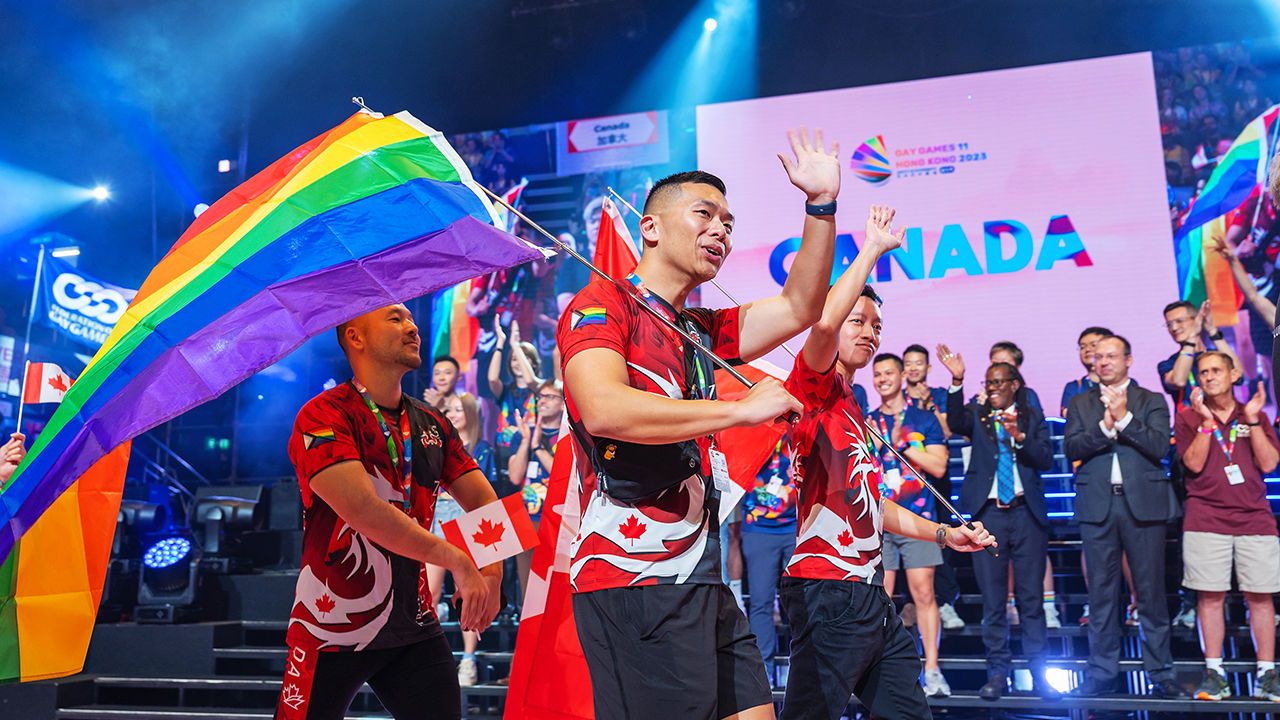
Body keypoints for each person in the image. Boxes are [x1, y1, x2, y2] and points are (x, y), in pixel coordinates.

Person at [559, 128, 842, 720]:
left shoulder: (700, 330)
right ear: (651, 227)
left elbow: (798, 308)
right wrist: (740, 409)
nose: (721, 231)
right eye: (704, 214)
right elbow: (606, 410)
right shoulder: (600, 306)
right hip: (634, 573)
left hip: (700, 570)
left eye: (730, 223)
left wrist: (820, 208)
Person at [779, 205, 994, 720]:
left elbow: (873, 506)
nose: (871, 332)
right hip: (827, 590)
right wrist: (871, 249)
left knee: (908, 712)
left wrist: (944, 535)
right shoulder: (813, 387)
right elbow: (824, 319)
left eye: (878, 325)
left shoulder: (855, 409)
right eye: (861, 320)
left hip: (870, 594)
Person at [277, 304, 502, 720]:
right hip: (330, 626)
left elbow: (487, 502)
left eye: (411, 319)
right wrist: (457, 558)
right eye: (395, 319)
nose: (412, 327)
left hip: (413, 624)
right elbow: (365, 510)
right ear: (355, 337)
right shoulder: (323, 415)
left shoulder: (433, 422)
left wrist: (492, 572)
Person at [1064, 335, 1185, 699]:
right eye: (1098, 357)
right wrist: (1103, 428)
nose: (1103, 362)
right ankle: (1101, 672)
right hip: (1098, 505)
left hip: (1144, 505)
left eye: (1111, 356)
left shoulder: (1150, 400)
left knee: (1150, 594)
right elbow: (1071, 446)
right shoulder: (1080, 401)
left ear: (1129, 360)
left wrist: (1124, 418)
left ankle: (1161, 673)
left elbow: (1160, 446)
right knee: (1101, 595)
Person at [935, 349, 1059, 701]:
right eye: (988, 383)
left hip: (1026, 515)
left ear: (1014, 385)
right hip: (988, 515)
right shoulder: (978, 414)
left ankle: (1039, 674)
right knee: (993, 602)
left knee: (1031, 600)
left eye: (998, 383)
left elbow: (1045, 459)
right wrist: (957, 381)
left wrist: (1020, 436)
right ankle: (998, 673)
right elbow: (956, 421)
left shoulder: (1032, 416)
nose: (992, 389)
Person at [1175, 354, 1280, 702]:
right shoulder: (1189, 417)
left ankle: (1267, 673)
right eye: (1203, 373)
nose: (1209, 377)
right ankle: (1214, 672)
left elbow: (1268, 463)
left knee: (1261, 596)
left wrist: (1252, 420)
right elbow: (1192, 463)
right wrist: (1206, 424)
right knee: (1210, 595)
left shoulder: (1253, 414)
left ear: (1234, 374)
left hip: (1254, 517)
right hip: (1206, 517)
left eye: (1216, 370)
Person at [868, 353, 953, 698]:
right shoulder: (867, 420)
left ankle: (932, 668)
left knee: (924, 594)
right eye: (877, 374)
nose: (882, 379)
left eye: (888, 372)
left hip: (918, 518)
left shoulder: (923, 418)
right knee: (880, 597)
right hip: (878, 520)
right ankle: (883, 668)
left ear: (903, 376)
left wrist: (903, 442)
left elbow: (939, 467)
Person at [426, 392, 496, 687]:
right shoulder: (437, 446)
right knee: (428, 591)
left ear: (470, 413)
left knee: (470, 593)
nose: (453, 414)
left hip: (469, 519)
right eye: (449, 409)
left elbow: (486, 496)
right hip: (437, 515)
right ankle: (430, 660)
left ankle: (468, 661)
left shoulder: (481, 448)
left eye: (458, 409)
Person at [902, 344, 963, 629]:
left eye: (919, 364)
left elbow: (949, 431)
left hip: (936, 480)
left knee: (941, 537)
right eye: (909, 364)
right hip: (906, 483)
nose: (914, 368)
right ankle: (910, 603)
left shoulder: (938, 396)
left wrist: (929, 408)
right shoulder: (897, 400)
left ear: (928, 368)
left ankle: (946, 601)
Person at [740, 439, 797, 684]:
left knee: (801, 602)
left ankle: (802, 666)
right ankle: (764, 670)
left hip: (797, 526)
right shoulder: (752, 430)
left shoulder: (799, 429)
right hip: (758, 529)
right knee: (761, 602)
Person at [507, 379, 564, 597]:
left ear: (562, 404)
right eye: (541, 397)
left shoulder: (568, 436)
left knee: (555, 586)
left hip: (557, 517)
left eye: (550, 397)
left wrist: (538, 448)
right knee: (528, 589)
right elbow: (515, 476)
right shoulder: (523, 433)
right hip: (526, 518)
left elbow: (561, 475)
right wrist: (526, 442)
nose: (543, 401)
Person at [1159, 299, 1240, 411]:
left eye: (1180, 321)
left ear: (1197, 320)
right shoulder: (1169, 364)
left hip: (1225, 423)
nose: (1174, 328)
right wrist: (1192, 338)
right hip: (1190, 425)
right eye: (1169, 324)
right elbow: (1179, 380)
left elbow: (1238, 375)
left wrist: (1212, 331)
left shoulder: (1216, 356)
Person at [1060, 327, 1112, 417]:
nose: (1087, 350)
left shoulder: (1126, 383)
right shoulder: (1074, 388)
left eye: (1093, 345)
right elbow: (1070, 417)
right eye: (1082, 347)